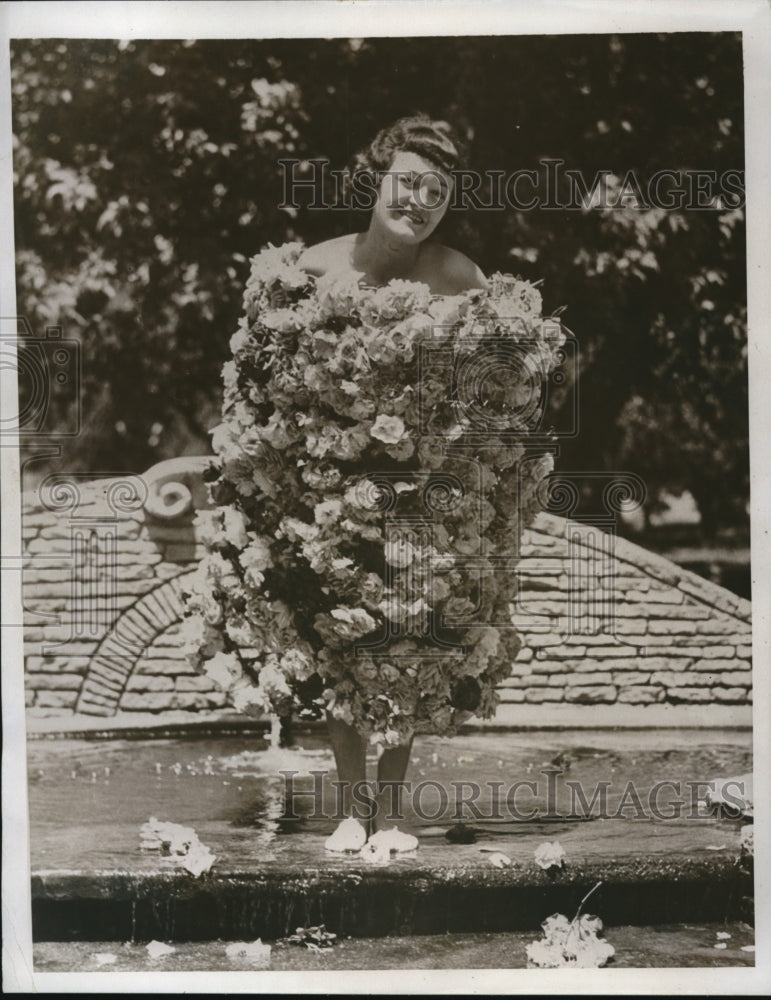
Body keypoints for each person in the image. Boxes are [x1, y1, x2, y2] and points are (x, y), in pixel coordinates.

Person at [297, 115, 489, 854]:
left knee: (412, 637)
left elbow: (497, 386)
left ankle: (394, 815)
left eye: (436, 192)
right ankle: (351, 811)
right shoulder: (314, 268)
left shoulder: (460, 278)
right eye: (408, 182)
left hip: (426, 493)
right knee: (341, 644)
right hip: (333, 487)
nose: (419, 200)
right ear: (375, 182)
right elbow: (272, 377)